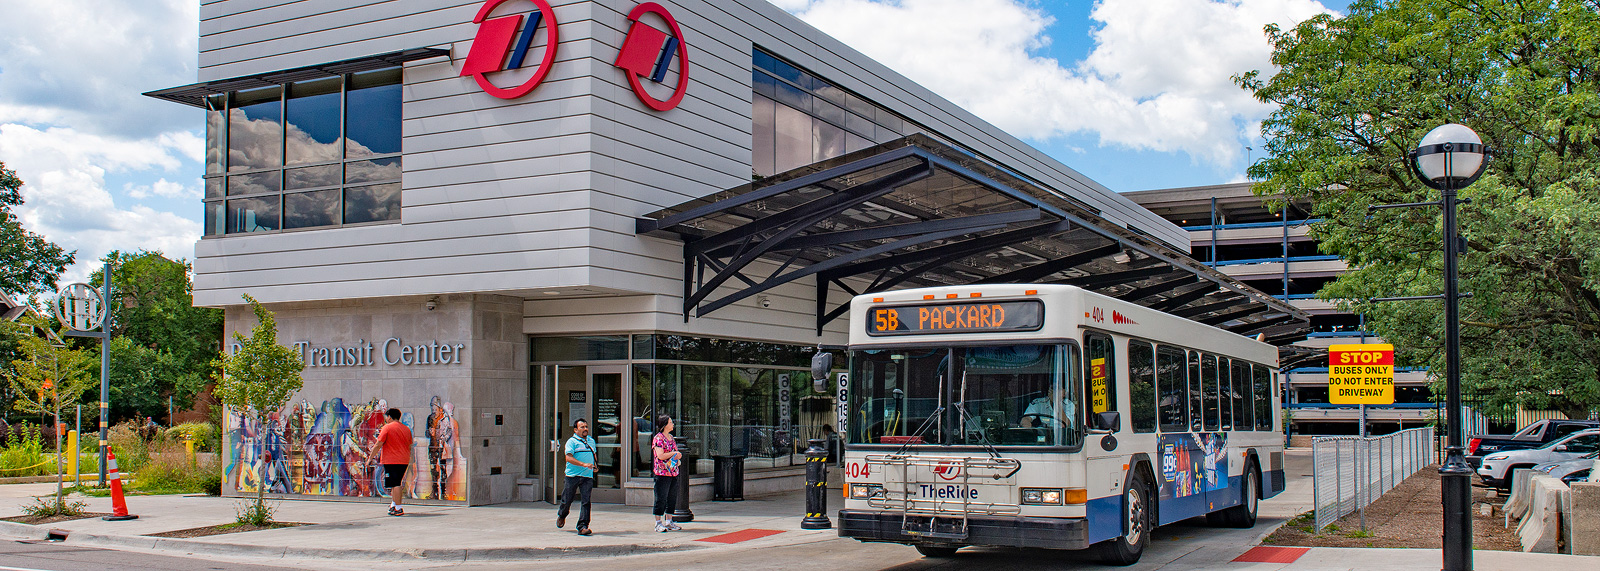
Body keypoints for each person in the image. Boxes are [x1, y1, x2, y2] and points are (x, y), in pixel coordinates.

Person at [556, 418, 598, 536]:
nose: (585, 429)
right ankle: (562, 515)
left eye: (586, 427)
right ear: (576, 430)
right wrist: (584, 464)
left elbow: (593, 454)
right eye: (582, 427)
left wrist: (595, 465)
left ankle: (583, 526)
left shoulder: (591, 441)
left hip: (587, 476)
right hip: (572, 475)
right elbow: (568, 458)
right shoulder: (572, 442)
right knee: (567, 499)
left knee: (586, 501)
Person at [367, 408, 412, 516]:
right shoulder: (406, 429)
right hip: (403, 459)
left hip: (392, 460)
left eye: (386, 417)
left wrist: (370, 458)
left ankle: (398, 508)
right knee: (394, 483)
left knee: (395, 484)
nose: (386, 419)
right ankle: (394, 504)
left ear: (389, 417)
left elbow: (378, 444)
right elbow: (410, 445)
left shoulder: (387, 427)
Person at [651, 414, 683, 532]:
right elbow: (660, 455)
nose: (672, 424)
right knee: (661, 497)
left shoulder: (671, 438)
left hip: (672, 472)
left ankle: (669, 520)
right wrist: (674, 453)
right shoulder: (658, 438)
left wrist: (677, 458)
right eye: (670, 422)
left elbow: (673, 456)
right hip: (661, 473)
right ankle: (658, 522)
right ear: (664, 425)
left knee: (671, 497)